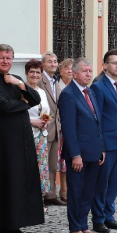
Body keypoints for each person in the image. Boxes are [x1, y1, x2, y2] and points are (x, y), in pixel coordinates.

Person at [0, 44, 44, 233]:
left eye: (9, 58)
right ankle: (4, 228)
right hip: (4, 141)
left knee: (20, 182)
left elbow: (34, 100)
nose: (6, 61)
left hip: (21, 140)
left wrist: (21, 86)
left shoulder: (14, 80)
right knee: (6, 183)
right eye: (1, 58)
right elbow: (3, 106)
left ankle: (16, 225)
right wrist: (22, 104)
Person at [59, 58, 105, 233]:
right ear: (75, 73)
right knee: (76, 192)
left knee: (88, 191)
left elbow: (97, 122)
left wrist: (101, 148)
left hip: (94, 151)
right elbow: (69, 129)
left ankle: (84, 225)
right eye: (85, 71)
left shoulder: (91, 92)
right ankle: (74, 228)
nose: (88, 74)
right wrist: (75, 155)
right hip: (78, 154)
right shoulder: (68, 95)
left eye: (90, 71)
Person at [91, 49, 117, 233]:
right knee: (102, 183)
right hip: (106, 144)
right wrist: (99, 146)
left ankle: (109, 216)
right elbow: (96, 118)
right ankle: (98, 219)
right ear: (105, 65)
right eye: (114, 63)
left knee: (114, 183)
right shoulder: (98, 87)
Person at [24, 60, 52, 207]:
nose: (35, 75)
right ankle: (27, 200)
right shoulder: (21, 90)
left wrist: (45, 121)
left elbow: (46, 112)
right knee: (28, 168)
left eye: (38, 72)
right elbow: (18, 113)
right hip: (27, 134)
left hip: (41, 135)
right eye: (32, 72)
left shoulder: (41, 92)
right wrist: (31, 121)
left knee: (41, 168)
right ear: (26, 73)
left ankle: (39, 201)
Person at [39, 52, 65, 206]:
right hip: (44, 127)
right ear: (43, 64)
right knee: (41, 164)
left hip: (56, 128)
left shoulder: (55, 81)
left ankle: (51, 194)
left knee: (52, 163)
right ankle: (41, 195)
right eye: (50, 62)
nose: (53, 64)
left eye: (55, 61)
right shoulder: (40, 80)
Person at [54, 58, 74, 202]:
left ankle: (67, 188)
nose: (69, 71)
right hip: (59, 128)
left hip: (72, 128)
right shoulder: (57, 87)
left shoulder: (75, 86)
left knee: (70, 160)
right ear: (60, 71)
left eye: (72, 68)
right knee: (60, 161)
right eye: (66, 68)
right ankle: (62, 189)